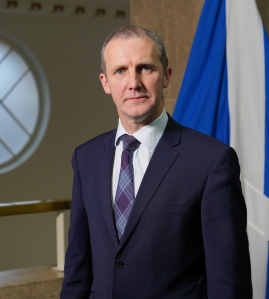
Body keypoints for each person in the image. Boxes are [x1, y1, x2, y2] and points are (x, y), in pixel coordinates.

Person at [60, 25, 252, 299]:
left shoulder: (211, 161)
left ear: (166, 76)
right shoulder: (85, 158)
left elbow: (229, 282)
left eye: (145, 68)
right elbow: (77, 269)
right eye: (120, 71)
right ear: (105, 82)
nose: (133, 82)